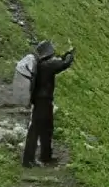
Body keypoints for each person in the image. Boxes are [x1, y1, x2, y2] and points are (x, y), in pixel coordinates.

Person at [23, 39, 74, 167]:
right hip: (44, 101)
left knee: (43, 128)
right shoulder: (47, 65)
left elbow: (58, 63)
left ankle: (42, 156)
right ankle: (33, 158)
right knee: (39, 129)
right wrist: (70, 55)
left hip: (40, 101)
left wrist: (63, 57)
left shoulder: (41, 64)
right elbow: (64, 64)